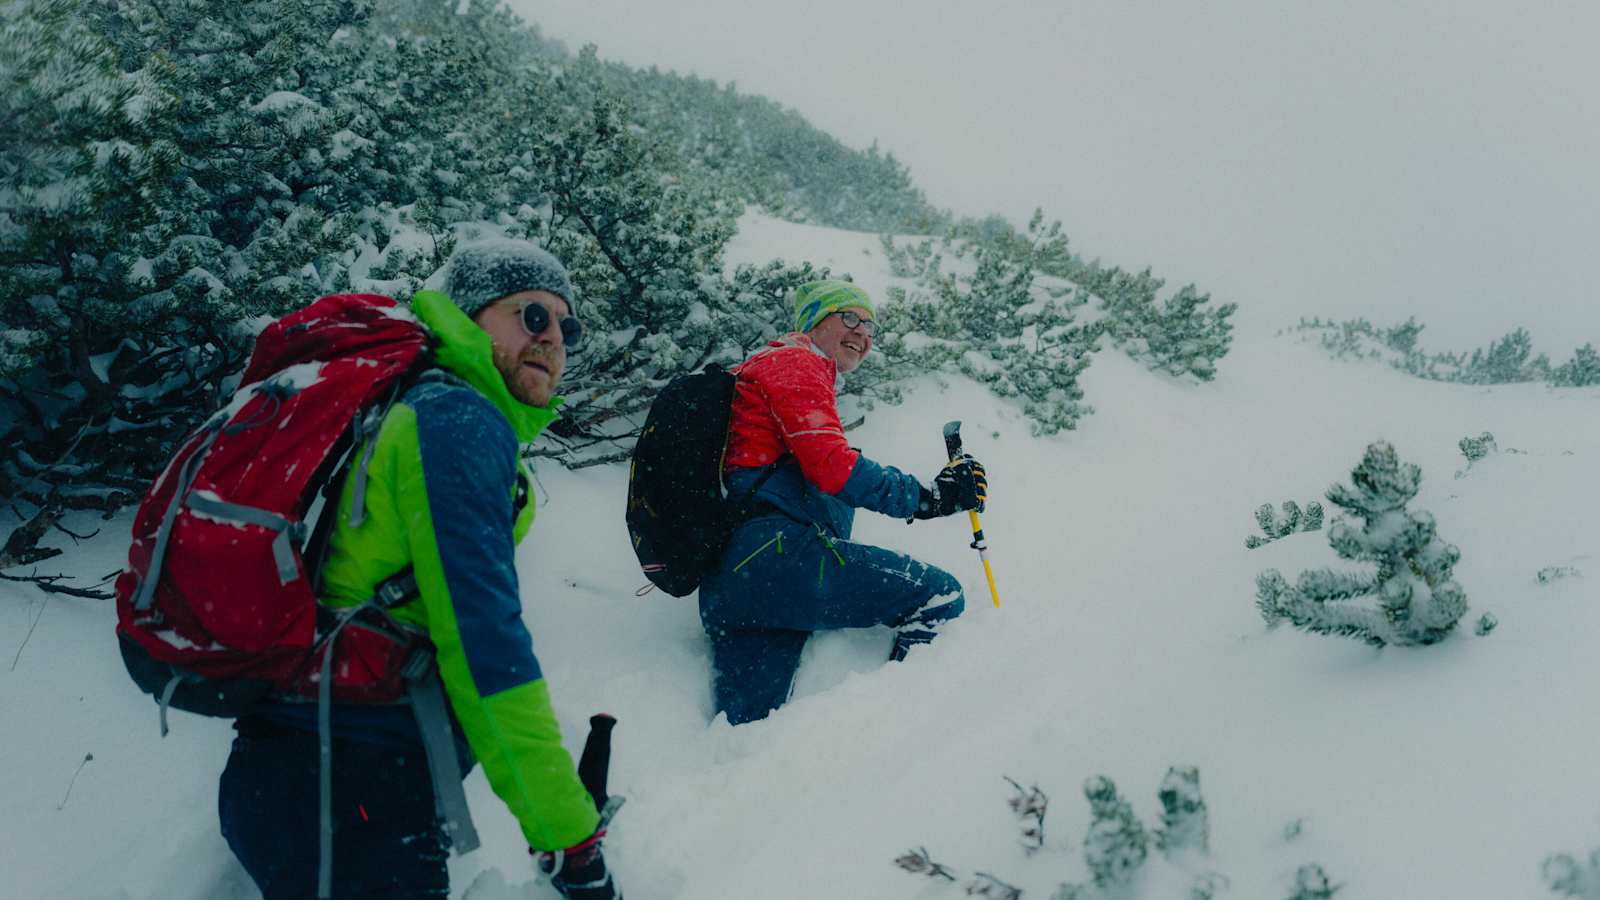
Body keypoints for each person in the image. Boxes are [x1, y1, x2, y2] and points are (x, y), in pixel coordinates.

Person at [217, 240, 622, 899]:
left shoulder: (426, 407)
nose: (553, 338)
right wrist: (568, 832)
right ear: (468, 315)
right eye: (531, 315)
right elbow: (484, 645)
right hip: (347, 783)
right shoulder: (455, 420)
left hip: (317, 772)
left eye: (566, 325)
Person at [699, 279, 988, 725]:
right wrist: (930, 499)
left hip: (736, 582)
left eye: (870, 324)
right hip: (778, 556)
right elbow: (833, 466)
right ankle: (905, 739)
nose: (862, 332)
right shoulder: (796, 362)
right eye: (849, 317)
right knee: (939, 596)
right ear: (814, 322)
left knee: (747, 735)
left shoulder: (765, 373)